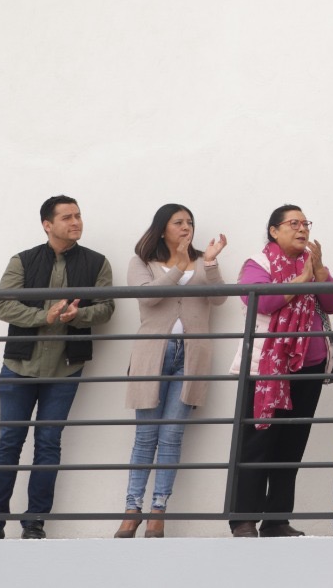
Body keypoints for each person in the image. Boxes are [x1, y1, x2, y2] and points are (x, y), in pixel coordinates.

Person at [0, 195, 116, 540]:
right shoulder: (23, 260)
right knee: (9, 442)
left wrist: (80, 315)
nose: (76, 222)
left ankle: (34, 523)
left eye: (78, 216)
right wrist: (41, 317)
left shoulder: (97, 263)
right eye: (67, 217)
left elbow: (106, 308)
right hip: (19, 366)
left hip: (65, 368)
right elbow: (3, 305)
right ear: (48, 224)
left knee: (48, 443)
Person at [229, 205, 333, 538]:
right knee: (258, 443)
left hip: (307, 368)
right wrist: (302, 280)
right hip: (266, 369)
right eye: (293, 223)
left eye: (305, 223)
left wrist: (319, 271)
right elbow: (260, 302)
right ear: (273, 231)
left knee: (291, 445)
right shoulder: (258, 264)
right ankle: (244, 519)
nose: (301, 229)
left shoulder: (312, 264)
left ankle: (276, 519)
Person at [117, 203, 228, 538]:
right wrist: (178, 268)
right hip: (153, 353)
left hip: (192, 355)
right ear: (162, 227)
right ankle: (131, 509)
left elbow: (220, 298)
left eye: (190, 222)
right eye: (178, 222)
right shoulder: (141, 261)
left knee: (172, 436)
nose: (186, 227)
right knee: (145, 436)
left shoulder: (199, 260)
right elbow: (148, 298)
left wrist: (208, 263)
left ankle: (158, 511)